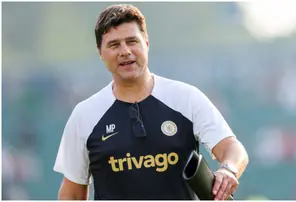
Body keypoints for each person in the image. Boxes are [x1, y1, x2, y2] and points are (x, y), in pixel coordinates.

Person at [53, 4, 248, 200]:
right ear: (100, 52)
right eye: (114, 45)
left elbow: (232, 148)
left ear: (146, 42)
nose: (125, 51)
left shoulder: (186, 98)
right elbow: (72, 194)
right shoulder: (84, 115)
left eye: (132, 41)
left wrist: (228, 170)